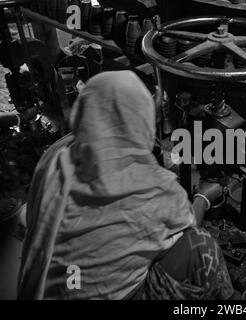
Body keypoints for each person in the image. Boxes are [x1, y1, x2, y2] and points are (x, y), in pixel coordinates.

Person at [17, 71, 234, 300]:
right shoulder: (150, 187)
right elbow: (189, 222)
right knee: (201, 246)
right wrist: (203, 198)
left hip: (59, 286)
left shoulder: (55, 157)